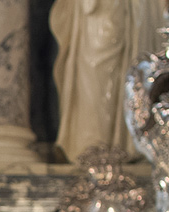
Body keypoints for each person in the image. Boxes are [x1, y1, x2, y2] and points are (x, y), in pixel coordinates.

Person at [50, 0, 163, 163]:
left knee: (132, 66)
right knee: (93, 70)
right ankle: (91, 142)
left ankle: (122, 143)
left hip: (134, 9)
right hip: (96, 11)